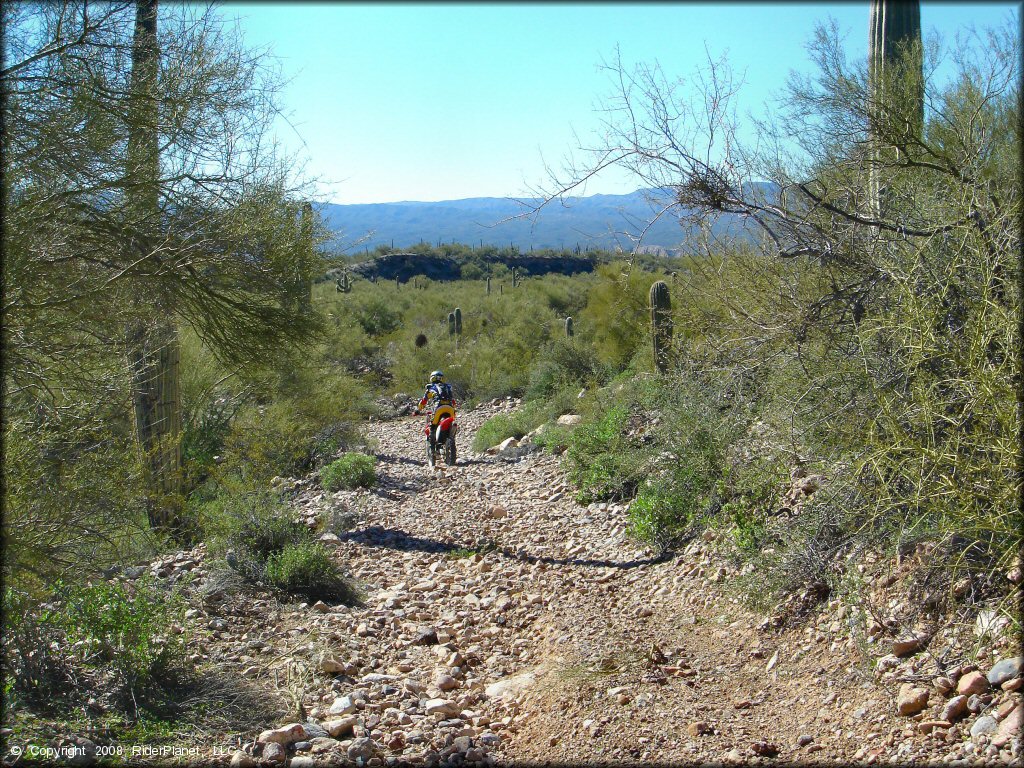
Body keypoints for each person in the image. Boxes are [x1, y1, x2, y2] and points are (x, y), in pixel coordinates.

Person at [416, 370, 456, 447]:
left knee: (433, 426)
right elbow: (453, 401)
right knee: (451, 424)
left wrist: (418, 410)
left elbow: (424, 401)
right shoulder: (448, 387)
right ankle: (451, 439)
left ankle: (432, 447)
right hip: (450, 408)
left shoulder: (431, 387)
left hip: (439, 408)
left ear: (432, 378)